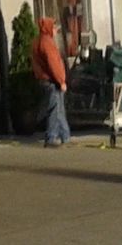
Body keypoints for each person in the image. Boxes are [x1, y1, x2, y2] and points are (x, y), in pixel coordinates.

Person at [30, 17, 71, 147]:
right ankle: (52, 137)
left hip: (43, 80)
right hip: (51, 81)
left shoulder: (37, 42)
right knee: (56, 109)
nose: (56, 31)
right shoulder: (47, 43)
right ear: (48, 28)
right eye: (54, 28)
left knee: (57, 108)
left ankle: (65, 135)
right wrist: (61, 80)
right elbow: (53, 64)